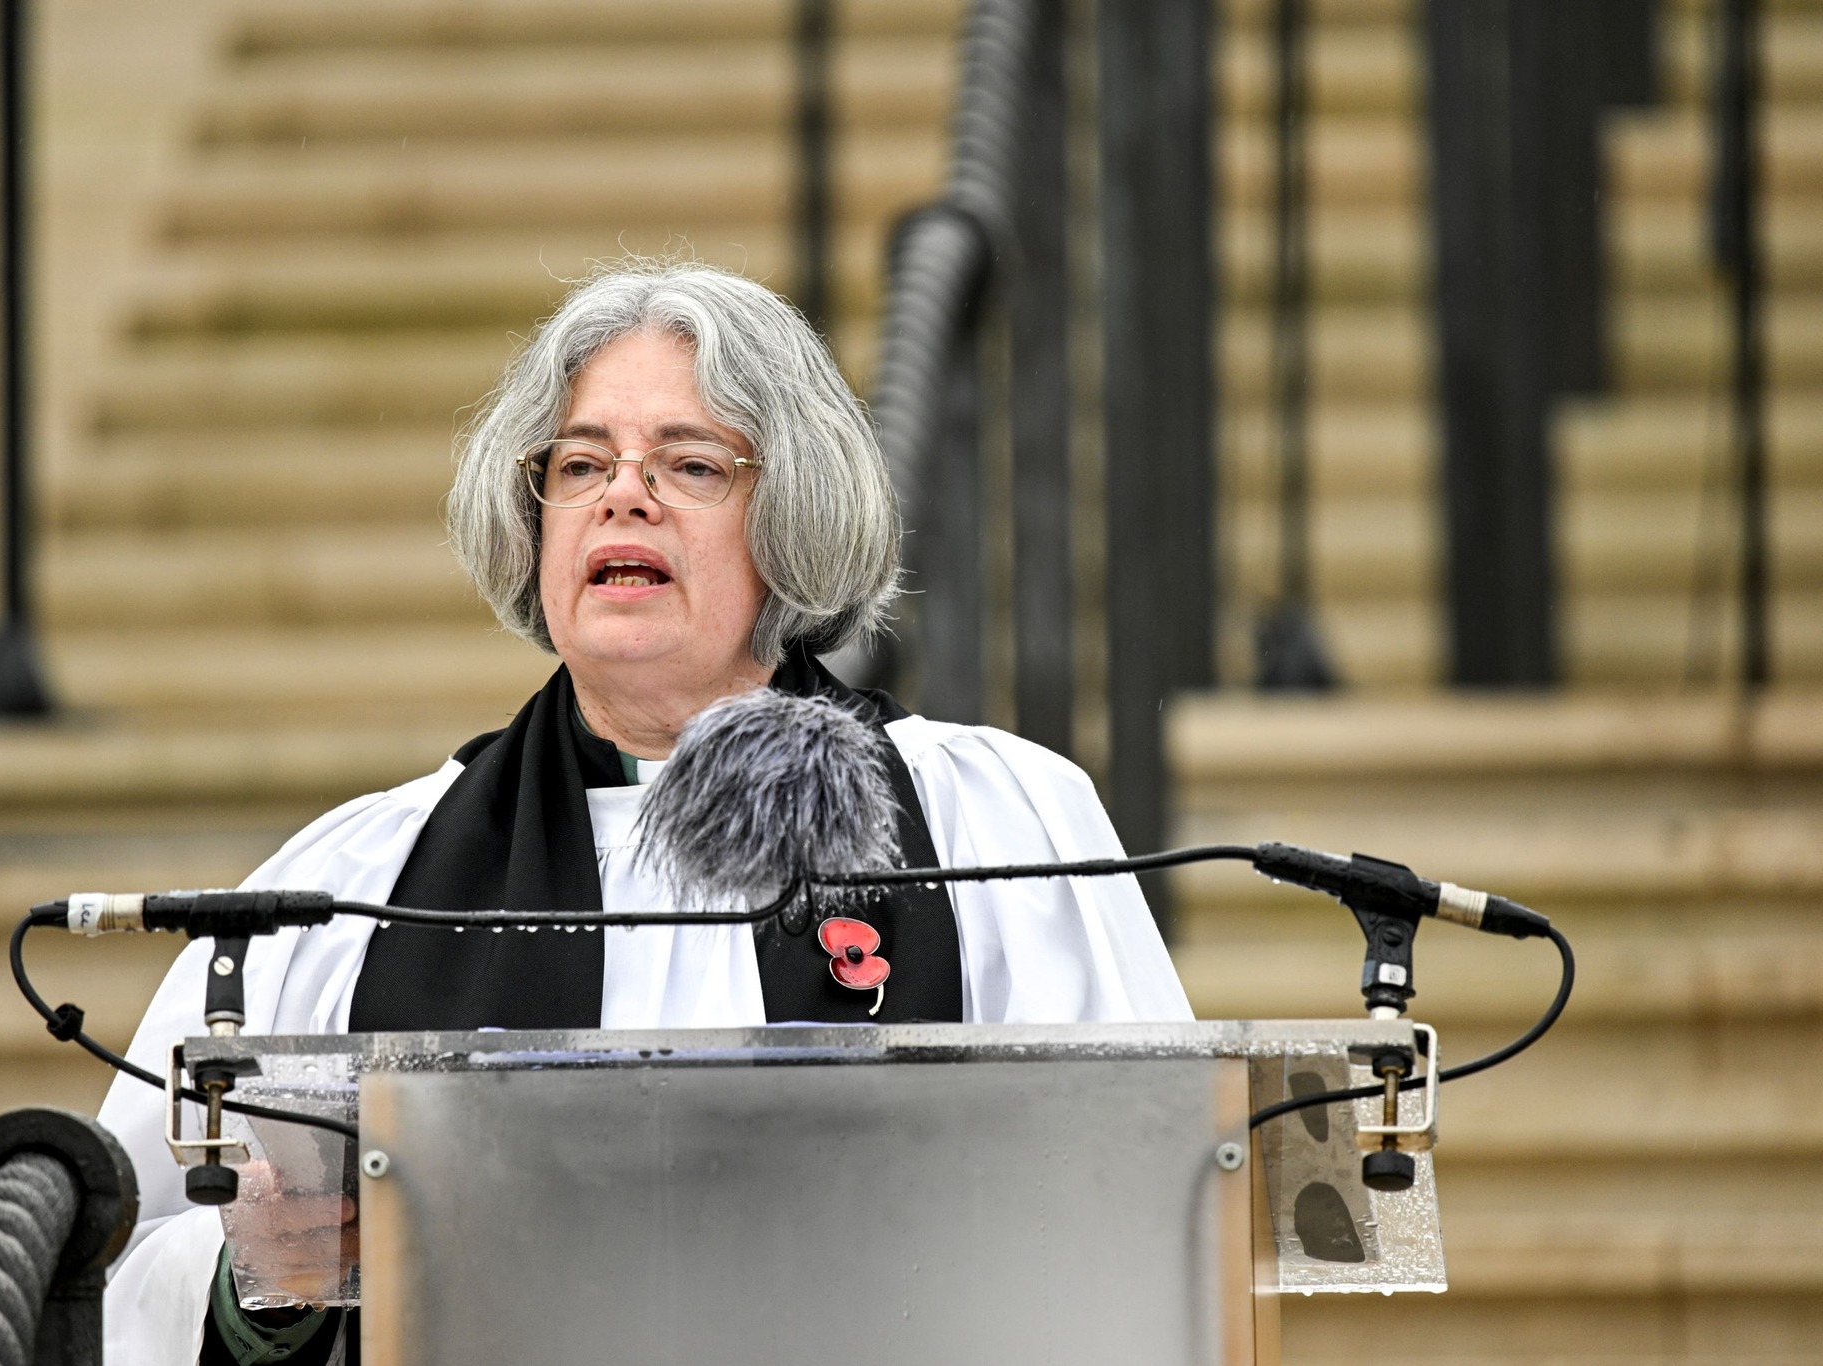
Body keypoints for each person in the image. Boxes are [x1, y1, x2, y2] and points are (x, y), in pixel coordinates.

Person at [98, 261, 1192, 1364]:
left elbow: (1159, 1209)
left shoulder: (985, 827)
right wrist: (257, 1280)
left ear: (792, 515)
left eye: (690, 462)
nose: (624, 493)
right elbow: (110, 1259)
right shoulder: (354, 888)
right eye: (580, 464)